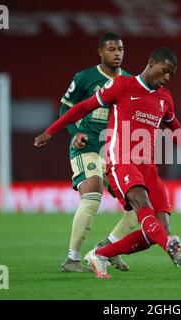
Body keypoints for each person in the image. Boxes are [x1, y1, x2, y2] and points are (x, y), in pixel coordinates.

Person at [35, 47, 181, 279]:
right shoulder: (121, 85)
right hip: (121, 161)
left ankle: (101, 253)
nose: (166, 78)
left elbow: (175, 127)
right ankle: (169, 246)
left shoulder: (165, 98)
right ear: (151, 62)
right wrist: (51, 131)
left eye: (171, 75)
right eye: (164, 71)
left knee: (160, 228)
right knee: (141, 205)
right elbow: (83, 107)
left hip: (148, 166)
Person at [58, 32, 140, 273]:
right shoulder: (85, 78)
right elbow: (66, 107)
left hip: (115, 153)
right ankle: (72, 260)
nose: (117, 54)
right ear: (101, 52)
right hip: (87, 148)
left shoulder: (130, 81)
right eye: (112, 49)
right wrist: (74, 132)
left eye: (121, 49)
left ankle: (107, 249)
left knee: (138, 205)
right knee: (92, 196)